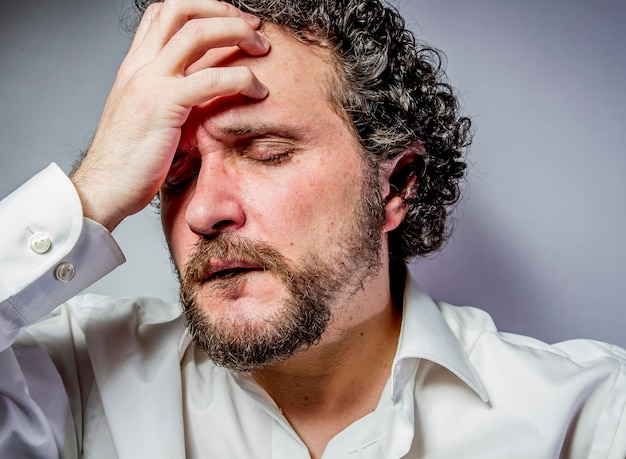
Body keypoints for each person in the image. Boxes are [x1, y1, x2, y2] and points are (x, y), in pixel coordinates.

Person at [1, 0, 625, 457]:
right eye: (175, 172)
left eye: (266, 150)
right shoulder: (67, 381)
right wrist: (91, 190)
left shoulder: (588, 418)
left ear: (396, 184)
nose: (200, 211)